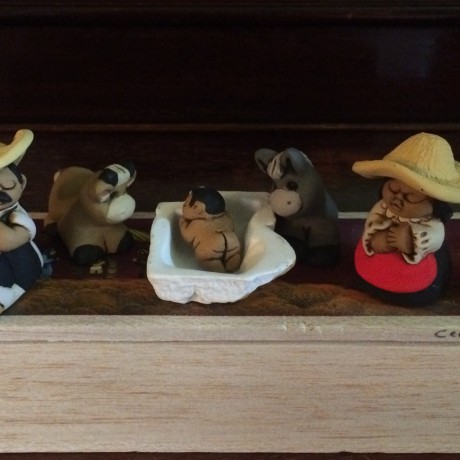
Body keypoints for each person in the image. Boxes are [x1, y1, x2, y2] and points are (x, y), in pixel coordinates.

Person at [352, 132, 460, 306]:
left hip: (416, 275)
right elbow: (373, 221)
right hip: (375, 264)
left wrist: (409, 241)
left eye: (410, 197)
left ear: (435, 203)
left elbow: (434, 237)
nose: (397, 199)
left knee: (420, 292)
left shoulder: (432, 224)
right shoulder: (382, 208)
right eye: (393, 189)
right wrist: (375, 236)